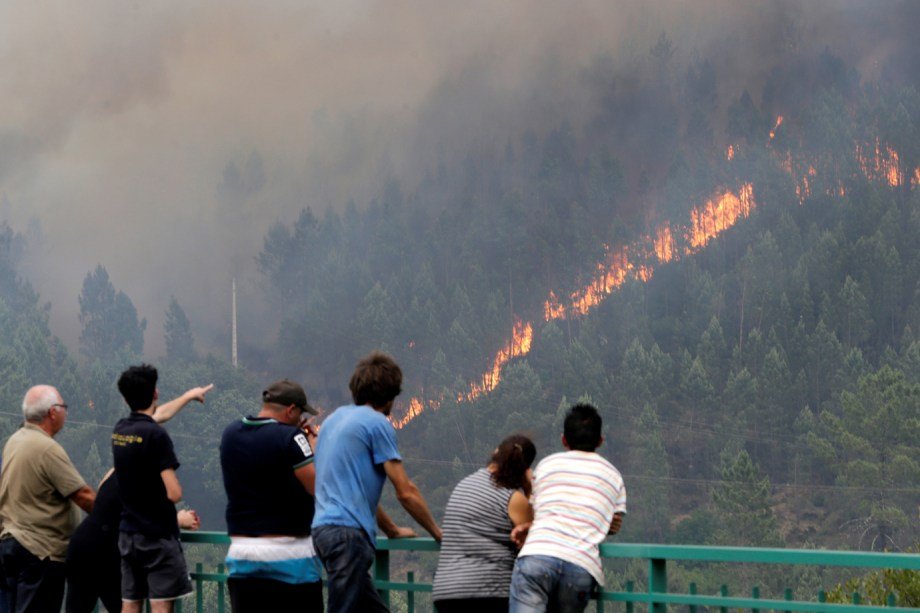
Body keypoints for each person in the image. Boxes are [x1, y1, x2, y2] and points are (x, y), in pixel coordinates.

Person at [312, 351, 442, 613]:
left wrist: (392, 529)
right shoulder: (377, 423)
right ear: (390, 396)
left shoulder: (332, 421)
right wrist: (438, 533)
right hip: (348, 536)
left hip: (322, 531)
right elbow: (405, 491)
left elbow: (356, 491)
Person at [66, 383, 210, 613]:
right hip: (104, 555)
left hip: (81, 547)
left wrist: (188, 396)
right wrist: (178, 520)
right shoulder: (144, 477)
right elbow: (144, 518)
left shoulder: (118, 467)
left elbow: (157, 416)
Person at [509, 403, 626, 613]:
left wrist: (529, 526)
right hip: (580, 566)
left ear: (564, 439)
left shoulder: (547, 465)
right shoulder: (614, 476)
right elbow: (613, 525)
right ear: (600, 440)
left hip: (538, 556)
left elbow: (539, 510)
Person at [112, 364, 212, 613]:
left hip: (128, 535)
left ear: (125, 397)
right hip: (156, 537)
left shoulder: (121, 430)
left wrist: (189, 396)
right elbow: (174, 493)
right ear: (155, 393)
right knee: (160, 605)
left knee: (130, 603)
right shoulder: (156, 435)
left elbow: (156, 416)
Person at [219, 380, 323, 612]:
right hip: (290, 558)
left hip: (242, 555)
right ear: (291, 410)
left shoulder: (230, 434)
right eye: (300, 414)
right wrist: (313, 447)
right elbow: (318, 486)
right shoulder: (292, 437)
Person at [0, 385, 95, 613]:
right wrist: (115, 518)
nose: (66, 412)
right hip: (39, 552)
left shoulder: (15, 440)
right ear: (53, 412)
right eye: (64, 407)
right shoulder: (46, 448)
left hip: (10, 545)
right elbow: (83, 496)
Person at [432, 434, 537, 613]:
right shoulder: (513, 499)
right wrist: (528, 491)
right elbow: (532, 542)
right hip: (488, 593)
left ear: (495, 453)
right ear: (525, 468)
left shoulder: (463, 486)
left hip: (446, 592)